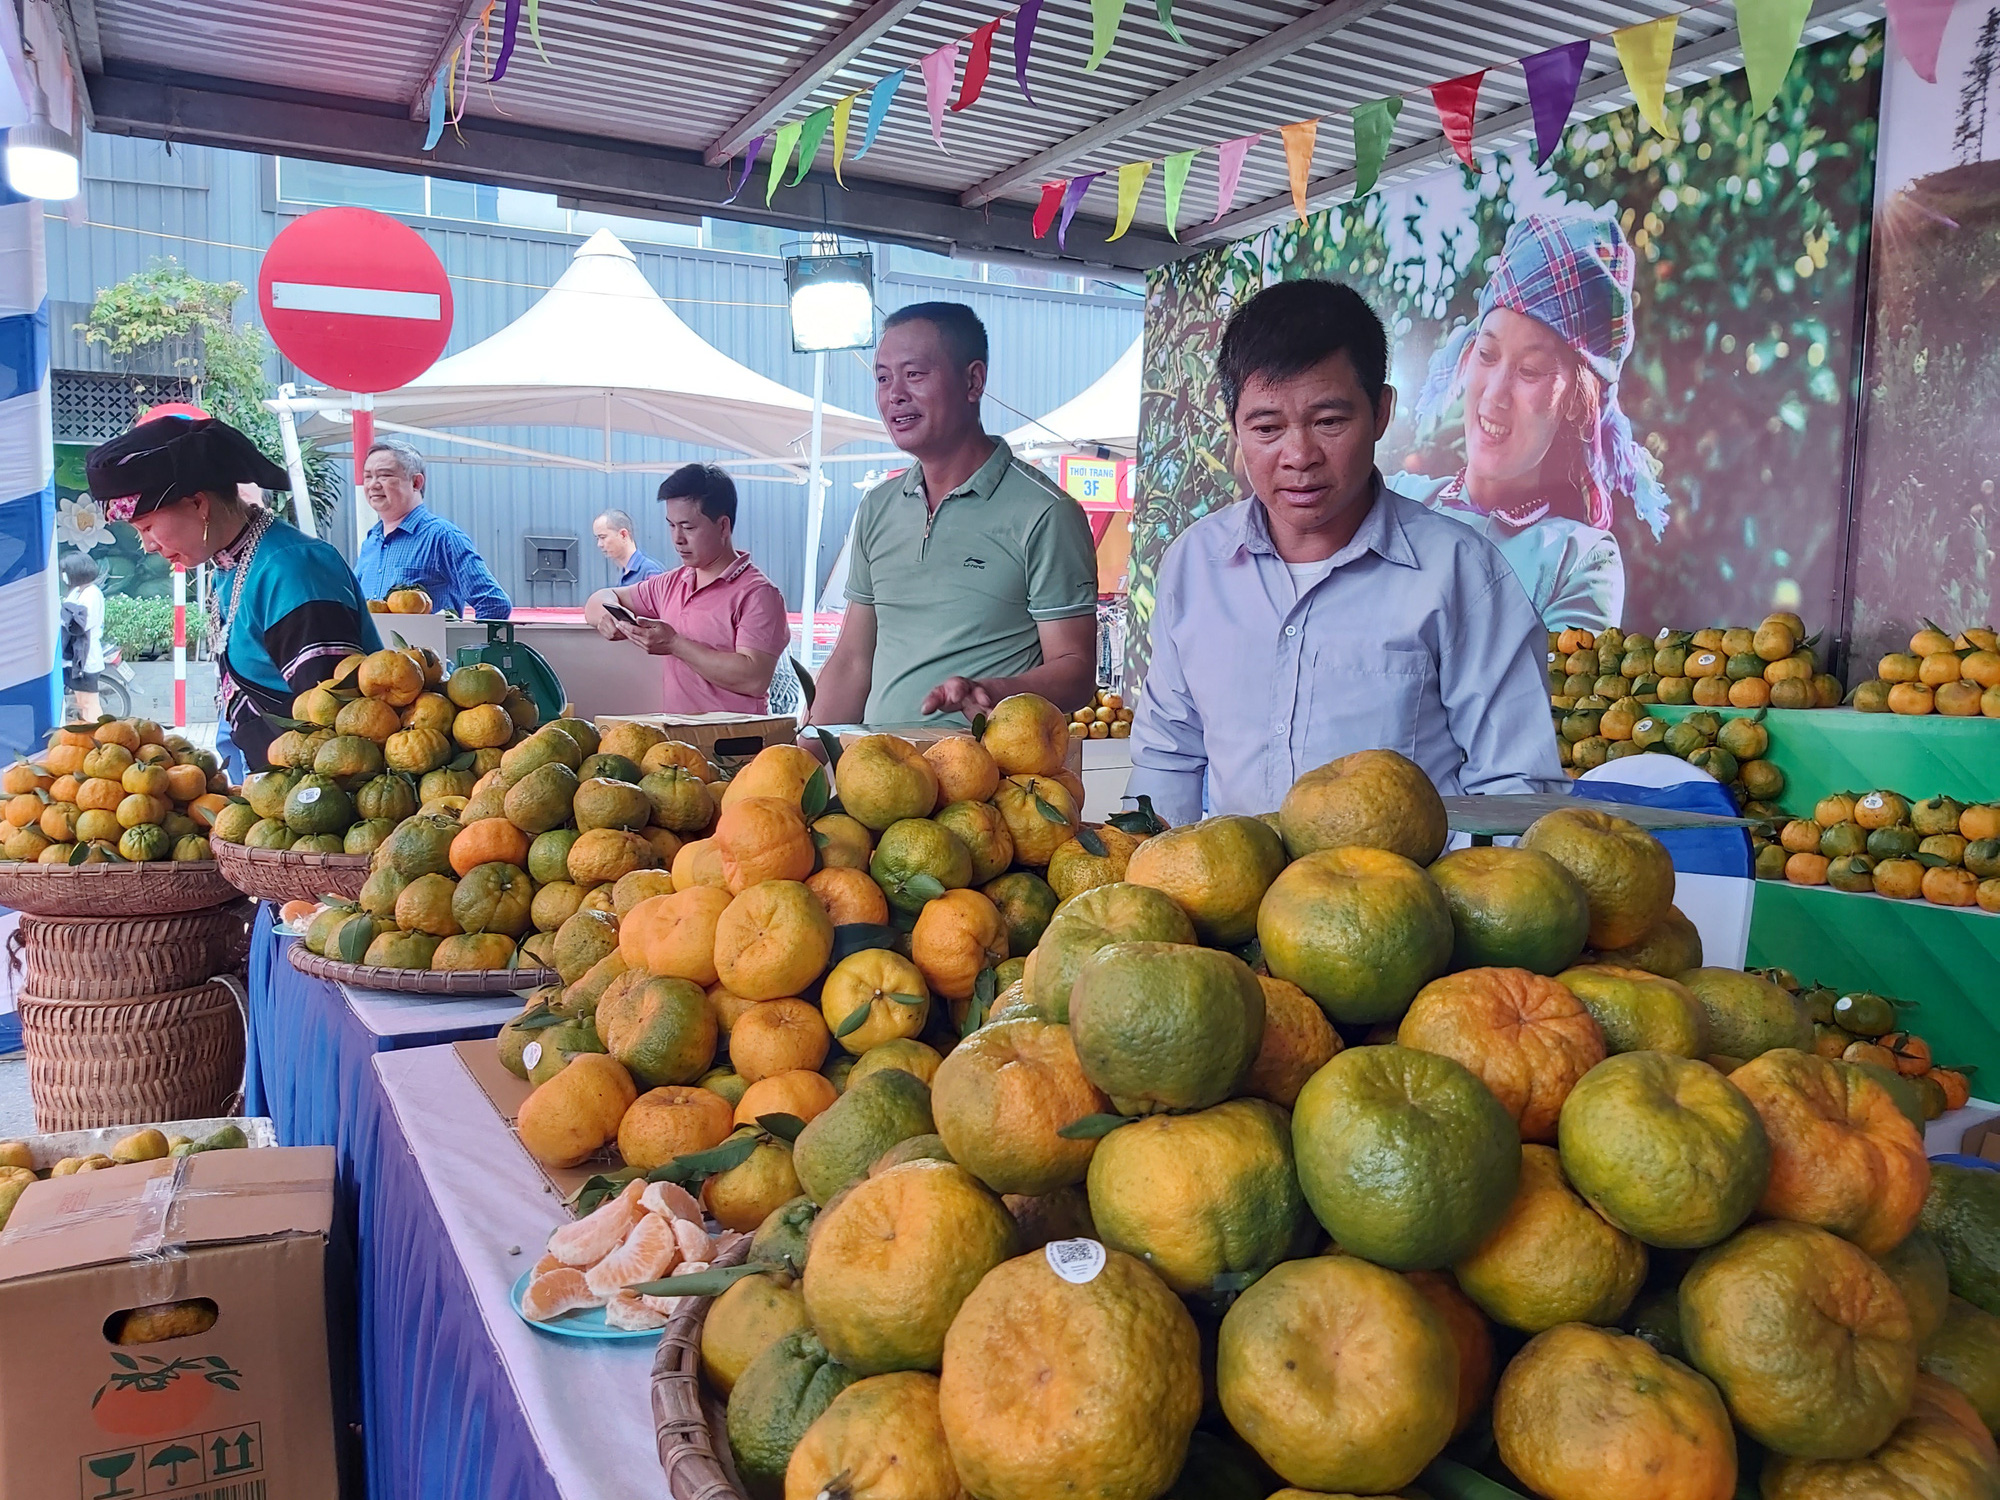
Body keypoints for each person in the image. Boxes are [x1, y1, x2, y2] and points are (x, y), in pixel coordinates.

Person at [1126, 279, 1562, 826]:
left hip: (1405, 907)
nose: (1299, 456)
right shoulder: (1195, 566)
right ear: (1235, 425)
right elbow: (1167, 757)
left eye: (1329, 422)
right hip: (1232, 905)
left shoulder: (1460, 575)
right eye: (1266, 427)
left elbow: (1515, 788)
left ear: (1381, 413)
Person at [804, 302, 1099, 729]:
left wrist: (992, 690)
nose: (894, 394)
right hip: (876, 778)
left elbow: (1075, 671)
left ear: (973, 380)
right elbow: (852, 661)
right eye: (883, 378)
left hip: (985, 786)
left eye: (915, 374)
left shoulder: (1046, 513)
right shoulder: (878, 506)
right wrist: (804, 754)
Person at [1385, 213, 1668, 632]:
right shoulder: (1392, 499)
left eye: (1530, 371)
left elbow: (1542, 695)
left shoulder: (1580, 560)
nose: (1495, 395)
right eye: (1486, 355)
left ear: (1575, 401)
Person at [86, 416, 382, 772]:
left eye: (147, 526)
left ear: (198, 504)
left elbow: (338, 726)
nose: (148, 545)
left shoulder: (292, 570)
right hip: (276, 794)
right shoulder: (230, 565)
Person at [583, 463, 788, 714]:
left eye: (688, 527)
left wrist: (674, 644)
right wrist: (606, 616)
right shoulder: (671, 582)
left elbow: (753, 678)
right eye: (671, 525)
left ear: (723, 526)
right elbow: (599, 598)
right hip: (678, 740)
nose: (678, 538)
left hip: (735, 746)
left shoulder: (758, 594)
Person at [354, 439, 512, 618]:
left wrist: (464, 644)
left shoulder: (442, 537)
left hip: (425, 646)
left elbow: (494, 604)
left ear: (416, 482)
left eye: (384, 475)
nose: (373, 484)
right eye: (368, 476)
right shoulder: (371, 541)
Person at [59, 551, 105, 720]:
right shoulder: (77, 592)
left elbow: (79, 625)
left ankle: (99, 735)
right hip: (75, 656)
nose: (63, 576)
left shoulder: (92, 594)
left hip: (86, 657)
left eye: (65, 571)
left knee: (88, 702)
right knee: (81, 702)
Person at [593, 508, 666, 585]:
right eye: (597, 538)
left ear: (623, 535)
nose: (599, 544)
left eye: (603, 537)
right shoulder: (624, 573)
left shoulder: (650, 572)